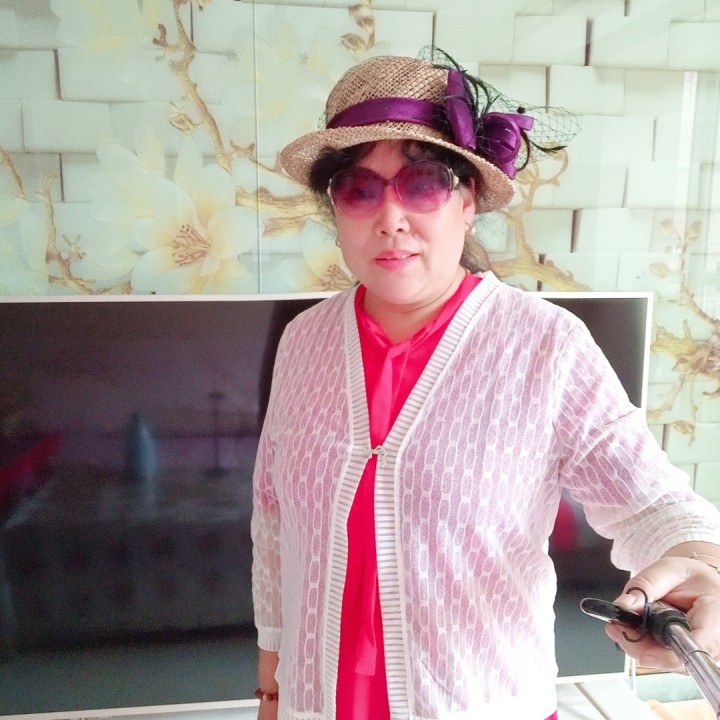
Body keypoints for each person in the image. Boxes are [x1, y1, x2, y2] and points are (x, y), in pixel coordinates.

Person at [251, 49, 720, 720]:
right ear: (336, 208)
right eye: (359, 189)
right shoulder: (303, 341)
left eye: (422, 184)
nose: (390, 218)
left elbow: (652, 503)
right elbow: (274, 521)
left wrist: (702, 565)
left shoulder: (545, 345)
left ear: (468, 199)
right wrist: (273, 690)